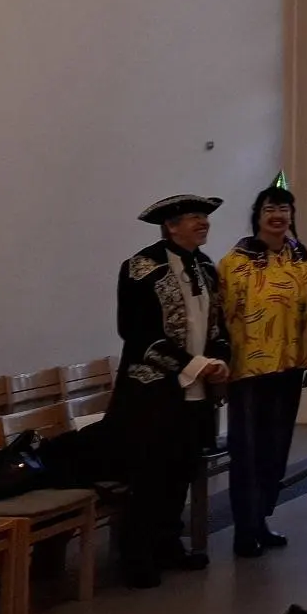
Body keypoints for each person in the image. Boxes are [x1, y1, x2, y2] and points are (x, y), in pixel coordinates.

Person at [111, 194, 231, 588]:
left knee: (181, 470)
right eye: (194, 217)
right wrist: (194, 366)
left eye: (205, 217)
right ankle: (136, 556)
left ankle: (168, 544)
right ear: (171, 226)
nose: (203, 223)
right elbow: (138, 335)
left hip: (195, 394)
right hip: (152, 393)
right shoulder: (140, 268)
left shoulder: (206, 267)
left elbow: (217, 327)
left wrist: (219, 360)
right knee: (149, 475)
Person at [217, 183, 307, 560]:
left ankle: (260, 519)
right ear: (257, 216)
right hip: (248, 370)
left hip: (288, 367)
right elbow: (223, 316)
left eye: (284, 209)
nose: (278, 216)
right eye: (270, 209)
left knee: (276, 449)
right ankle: (244, 529)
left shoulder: (301, 259)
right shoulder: (236, 262)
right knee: (247, 451)